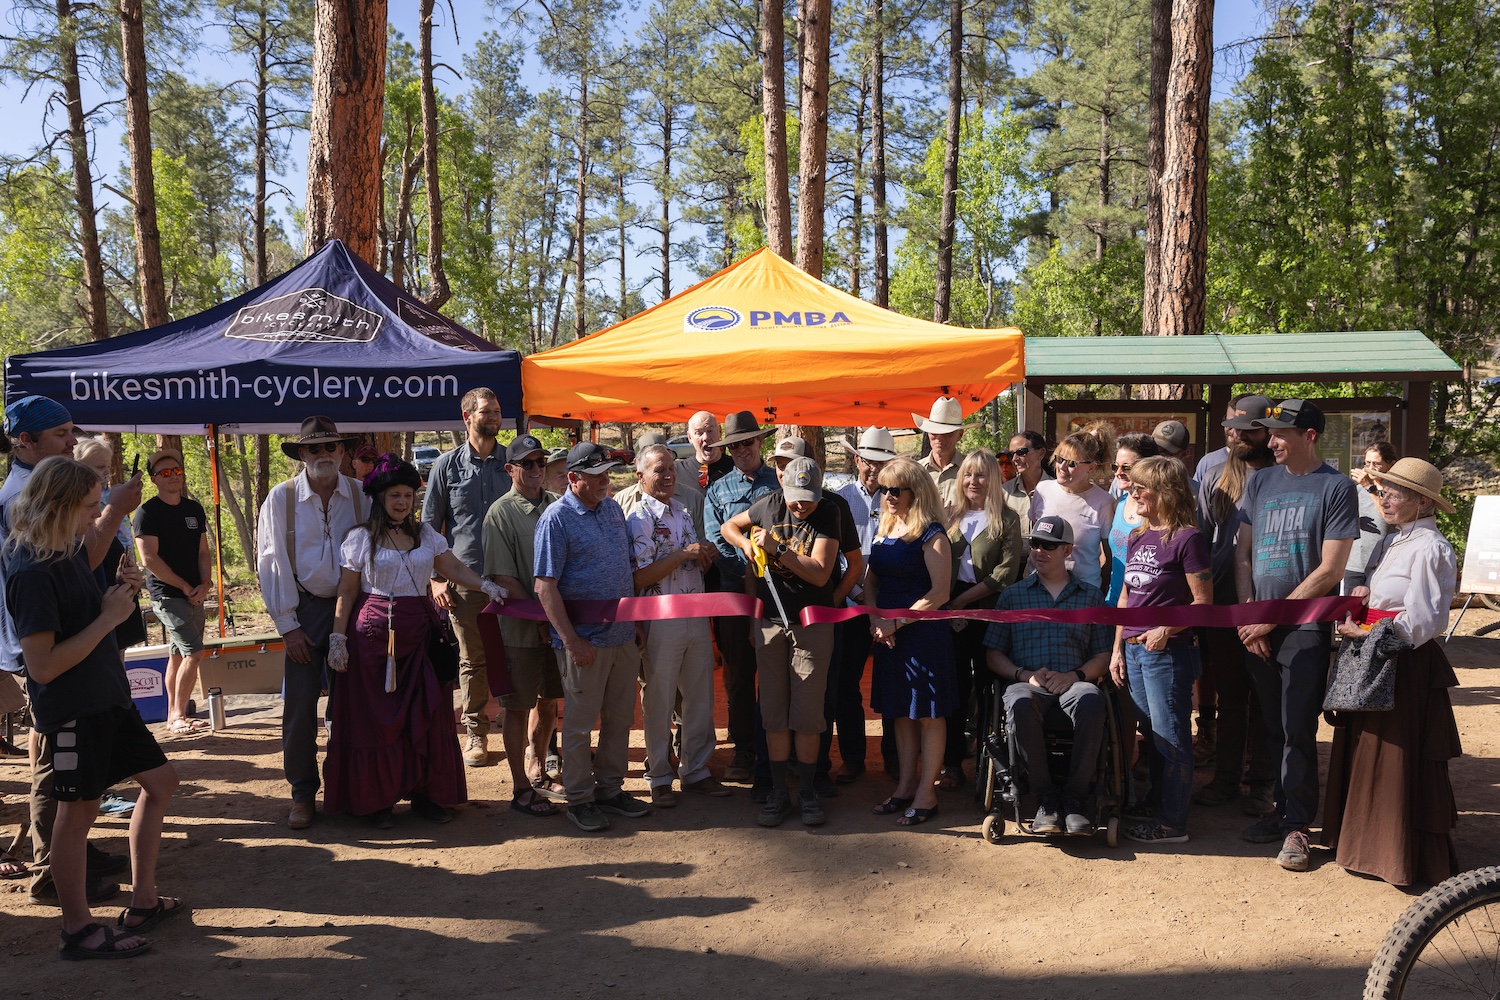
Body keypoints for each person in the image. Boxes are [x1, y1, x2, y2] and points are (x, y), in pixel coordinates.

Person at [4, 456, 181, 960]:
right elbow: (42, 667)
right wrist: (108, 619)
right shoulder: (31, 569)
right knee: (77, 814)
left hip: (108, 698)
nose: (95, 515)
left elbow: (82, 613)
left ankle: (143, 901)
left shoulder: (63, 550)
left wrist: (119, 593)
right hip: (74, 709)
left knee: (161, 784)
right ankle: (77, 930)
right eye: (88, 506)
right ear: (58, 506)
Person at [1, 397, 141, 905]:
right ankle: (52, 872)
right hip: (44, 649)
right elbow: (71, 564)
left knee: (72, 772)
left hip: (68, 644)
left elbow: (78, 565)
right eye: (60, 434)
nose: (70, 441)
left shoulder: (46, 485)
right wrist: (114, 511)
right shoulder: (24, 497)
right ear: (25, 441)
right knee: (55, 768)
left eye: (70, 430)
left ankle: (70, 854)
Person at [324, 455, 505, 828]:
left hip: (420, 637)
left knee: (426, 715)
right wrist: (337, 638)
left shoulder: (426, 536)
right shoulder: (360, 538)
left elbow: (453, 568)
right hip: (371, 641)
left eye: (408, 495)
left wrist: (486, 585)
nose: (402, 502)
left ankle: (427, 796)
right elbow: (347, 590)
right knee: (376, 721)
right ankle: (376, 801)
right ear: (380, 497)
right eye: (395, 495)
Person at [1323, 458, 1462, 886]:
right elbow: (1393, 602)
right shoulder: (1396, 540)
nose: (1384, 499)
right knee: (1371, 752)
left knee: (1395, 757)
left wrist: (1366, 632)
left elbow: (1425, 620)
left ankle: (1397, 854)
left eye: (1394, 493)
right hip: (1381, 657)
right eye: (1383, 491)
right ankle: (1366, 847)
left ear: (1423, 502)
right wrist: (1366, 598)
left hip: (1405, 665)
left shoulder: (1430, 547)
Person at [1234, 399, 1358, 873]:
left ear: (1309, 435)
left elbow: (1331, 569)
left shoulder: (1337, 487)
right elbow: (1243, 555)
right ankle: (1280, 810)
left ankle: (1298, 826)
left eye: (1281, 433)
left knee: (1298, 728)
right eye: (1270, 433)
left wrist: (1273, 617)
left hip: (1304, 628)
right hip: (1257, 628)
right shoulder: (1261, 481)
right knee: (1273, 726)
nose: (1272, 441)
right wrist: (1250, 616)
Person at [256, 415, 368, 831]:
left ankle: (347, 789)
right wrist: (287, 625)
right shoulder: (281, 498)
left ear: (342, 451)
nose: (324, 454)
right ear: (301, 454)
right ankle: (302, 794)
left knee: (350, 707)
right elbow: (270, 561)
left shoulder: (361, 495)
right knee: (301, 708)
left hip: (351, 611)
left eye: (331, 446)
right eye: (314, 448)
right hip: (302, 611)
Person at [534, 442, 651, 833]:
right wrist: (570, 641)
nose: (605, 481)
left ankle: (610, 789)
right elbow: (544, 586)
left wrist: (634, 623)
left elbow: (625, 570)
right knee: (580, 725)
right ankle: (580, 798)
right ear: (573, 478)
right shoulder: (556, 519)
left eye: (607, 474)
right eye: (596, 475)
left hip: (621, 638)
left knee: (620, 720)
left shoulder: (613, 509)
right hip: (584, 643)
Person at [720, 456, 842, 826]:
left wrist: (778, 549)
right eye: (795, 498)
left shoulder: (828, 512)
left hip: (811, 624)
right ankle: (777, 791)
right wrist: (744, 543)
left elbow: (820, 574)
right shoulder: (768, 504)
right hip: (769, 624)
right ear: (783, 488)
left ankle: (806, 792)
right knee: (773, 713)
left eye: (809, 498)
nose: (802, 505)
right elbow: (728, 525)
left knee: (807, 714)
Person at [984, 516, 1111, 836]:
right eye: (1035, 544)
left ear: (1067, 550)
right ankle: (1046, 799)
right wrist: (1023, 674)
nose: (1039, 551)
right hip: (1027, 683)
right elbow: (993, 654)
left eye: (1049, 546)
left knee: (1092, 700)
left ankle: (1075, 798)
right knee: (1020, 703)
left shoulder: (1090, 597)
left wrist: (1075, 675)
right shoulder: (1012, 596)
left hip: (1074, 682)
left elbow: (1103, 655)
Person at [1109, 457, 1213, 845]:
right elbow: (1125, 597)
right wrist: (1117, 648)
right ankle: (1157, 805)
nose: (1132, 493)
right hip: (1135, 651)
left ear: (1165, 493)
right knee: (1153, 736)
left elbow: (1203, 603)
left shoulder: (1187, 538)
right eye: (1132, 486)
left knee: (1171, 736)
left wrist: (1167, 629)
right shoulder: (1138, 536)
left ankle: (1172, 823)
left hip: (1166, 654)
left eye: (1141, 488)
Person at [626, 444, 729, 807]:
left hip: (695, 615)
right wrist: (683, 554)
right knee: (659, 699)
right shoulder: (637, 518)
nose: (669, 475)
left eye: (671, 468)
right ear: (640, 476)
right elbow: (640, 576)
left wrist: (704, 555)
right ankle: (658, 776)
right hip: (660, 620)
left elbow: (689, 561)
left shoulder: (682, 512)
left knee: (700, 698)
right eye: (660, 469)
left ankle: (696, 771)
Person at [1192, 394, 1277, 815]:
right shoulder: (1214, 470)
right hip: (1224, 602)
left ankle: (1262, 783)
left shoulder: (1285, 473)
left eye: (1248, 430)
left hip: (1274, 604)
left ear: (1268, 431)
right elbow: (1201, 539)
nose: (1238, 436)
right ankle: (1225, 778)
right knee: (1230, 695)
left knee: (1265, 698)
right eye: (1233, 429)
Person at [768, 435, 864, 799]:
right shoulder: (768, 503)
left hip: (821, 621)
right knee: (776, 700)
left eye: (790, 464)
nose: (784, 471)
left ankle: (817, 773)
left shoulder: (834, 506)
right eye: (779, 465)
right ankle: (775, 778)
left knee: (822, 697)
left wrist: (834, 602)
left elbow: (854, 563)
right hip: (775, 622)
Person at [421, 387, 511, 768]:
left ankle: (518, 726)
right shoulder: (446, 467)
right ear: (467, 417)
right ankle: (476, 731)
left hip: (511, 580)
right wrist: (435, 579)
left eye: (497, 411)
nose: (494, 418)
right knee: (473, 660)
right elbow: (429, 527)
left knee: (516, 654)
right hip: (464, 582)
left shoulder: (512, 461)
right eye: (486, 412)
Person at [863, 456, 955, 826]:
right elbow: (871, 581)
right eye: (884, 489)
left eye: (895, 490)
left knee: (928, 714)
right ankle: (904, 787)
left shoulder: (933, 533)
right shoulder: (885, 527)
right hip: (888, 635)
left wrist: (895, 623)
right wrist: (875, 619)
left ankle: (926, 794)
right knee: (900, 712)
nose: (887, 495)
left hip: (922, 635)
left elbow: (940, 593)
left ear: (915, 492)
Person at [483, 433, 567, 817]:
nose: (536, 469)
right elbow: (503, 578)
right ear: (510, 469)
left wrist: (556, 622)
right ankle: (519, 787)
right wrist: (544, 619)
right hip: (520, 630)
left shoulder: (557, 505)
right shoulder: (500, 513)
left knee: (548, 702)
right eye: (527, 463)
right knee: (517, 707)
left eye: (540, 462)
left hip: (555, 628)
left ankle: (539, 769)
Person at [704, 410, 779, 781]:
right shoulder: (717, 490)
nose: (741, 450)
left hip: (782, 592)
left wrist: (774, 570)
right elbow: (715, 541)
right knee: (738, 676)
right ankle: (745, 750)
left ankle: (780, 751)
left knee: (781, 673)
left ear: (760, 441)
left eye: (747, 442)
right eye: (733, 446)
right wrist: (749, 568)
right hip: (734, 594)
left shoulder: (780, 480)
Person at [942, 448, 1022, 791]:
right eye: (968, 474)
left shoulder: (1007, 518)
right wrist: (950, 605)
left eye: (981, 474)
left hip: (989, 609)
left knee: (989, 688)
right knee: (955, 687)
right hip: (949, 614)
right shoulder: (949, 516)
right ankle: (952, 762)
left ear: (994, 479)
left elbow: (1005, 574)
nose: (973, 481)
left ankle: (991, 762)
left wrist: (962, 602)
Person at [829, 427, 897, 784]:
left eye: (881, 463)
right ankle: (853, 757)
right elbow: (835, 556)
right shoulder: (839, 500)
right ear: (856, 460)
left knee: (895, 680)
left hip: (892, 604)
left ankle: (895, 758)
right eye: (868, 461)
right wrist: (858, 594)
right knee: (846, 682)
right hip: (853, 605)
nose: (873, 469)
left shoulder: (899, 499)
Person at [133, 448, 212, 734]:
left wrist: (205, 583)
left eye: (177, 471)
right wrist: (184, 586)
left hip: (195, 592)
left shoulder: (193, 509)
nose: (173, 477)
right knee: (195, 652)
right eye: (165, 473)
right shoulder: (147, 512)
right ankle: (179, 714)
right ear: (154, 479)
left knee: (178, 654)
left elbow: (203, 552)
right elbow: (149, 559)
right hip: (167, 595)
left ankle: (173, 715)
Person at [1030, 423, 1116, 591]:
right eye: (1059, 459)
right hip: (1039, 588)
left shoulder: (1104, 502)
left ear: (1091, 467)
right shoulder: (1042, 490)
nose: (1062, 467)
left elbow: (1110, 556)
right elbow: (1035, 539)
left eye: (1071, 463)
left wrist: (1096, 592)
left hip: (1082, 591)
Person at [1104, 433, 1163, 606]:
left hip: (1146, 605)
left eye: (1126, 467)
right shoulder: (1117, 505)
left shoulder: (1159, 510)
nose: (1118, 473)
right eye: (1115, 466)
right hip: (1114, 601)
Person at [1344, 442, 1397, 593]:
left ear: (1391, 464)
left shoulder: (1395, 491)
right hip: (1355, 564)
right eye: (1367, 463)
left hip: (1383, 564)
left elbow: (1388, 516)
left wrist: (1370, 487)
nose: (1370, 468)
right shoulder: (1359, 489)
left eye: (1376, 464)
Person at [913, 396, 966, 516]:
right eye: (934, 432)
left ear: (960, 434)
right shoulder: (916, 470)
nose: (940, 438)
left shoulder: (971, 470)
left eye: (947, 433)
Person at [1001, 430, 1051, 537]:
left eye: (1021, 452)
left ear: (1041, 453)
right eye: (1011, 454)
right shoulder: (1003, 493)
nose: (1014, 459)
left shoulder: (1058, 491)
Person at [676, 411, 733, 491]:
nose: (706, 437)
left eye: (710, 431)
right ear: (690, 437)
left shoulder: (737, 468)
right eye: (699, 433)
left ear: (719, 431)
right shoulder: (677, 471)